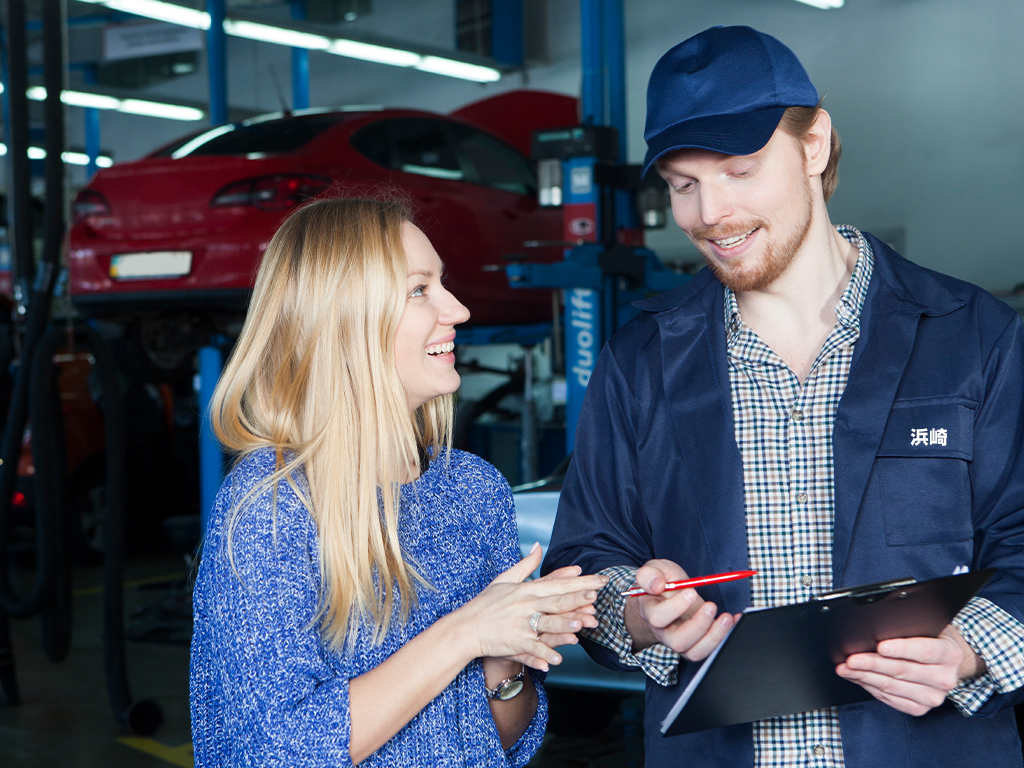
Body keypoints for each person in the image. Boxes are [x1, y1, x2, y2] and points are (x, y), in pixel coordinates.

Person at [543, 24, 1024, 768]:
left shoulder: (975, 338)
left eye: (739, 170)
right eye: (682, 184)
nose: (710, 214)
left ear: (815, 145)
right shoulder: (638, 361)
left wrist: (968, 648)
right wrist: (636, 614)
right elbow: (585, 562)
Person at [189, 197, 608, 766]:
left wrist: (507, 657)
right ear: (343, 319)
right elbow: (273, 750)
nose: (457, 310)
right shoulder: (272, 506)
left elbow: (506, 741)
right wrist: (465, 633)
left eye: (444, 285)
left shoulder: (473, 489)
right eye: (419, 290)